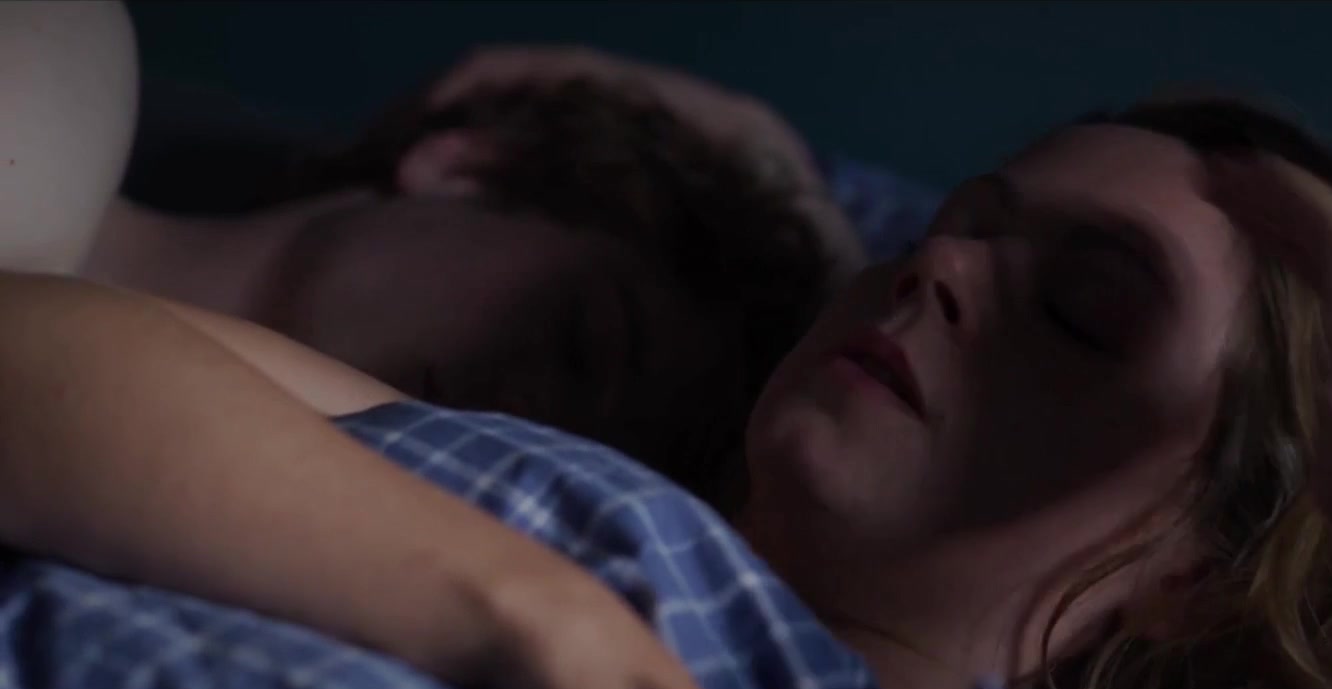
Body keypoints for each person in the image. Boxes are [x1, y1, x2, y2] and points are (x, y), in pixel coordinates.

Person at [0, 4, 1332, 689]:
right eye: (951, 225)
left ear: (1203, 573)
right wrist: (540, 628)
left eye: (1087, 310)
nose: (939, 267)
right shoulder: (571, 515)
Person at [3, 2, 863, 508]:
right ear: (471, 166)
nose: (525, 417)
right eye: (578, 343)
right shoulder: (65, 58)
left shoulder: (140, 543)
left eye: (579, 450)